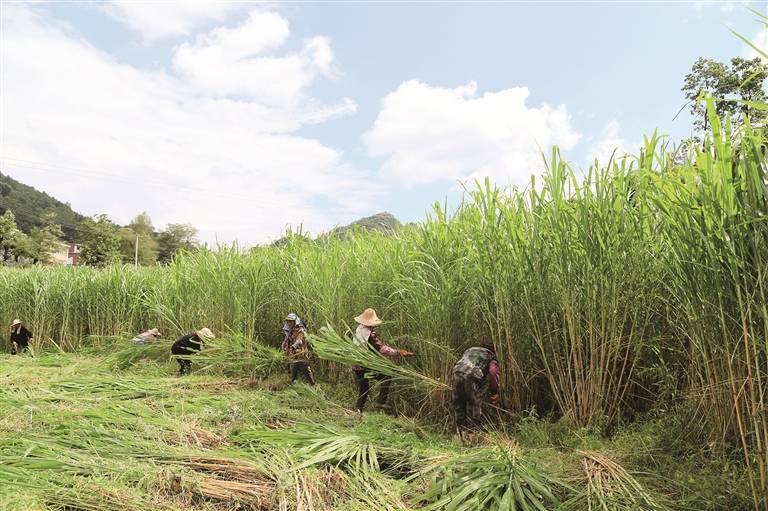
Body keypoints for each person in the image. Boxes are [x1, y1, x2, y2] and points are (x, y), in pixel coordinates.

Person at [352, 308, 413, 413]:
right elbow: (382, 349)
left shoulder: (359, 329)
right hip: (364, 364)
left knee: (364, 387)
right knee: (386, 376)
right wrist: (398, 352)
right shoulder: (370, 334)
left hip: (355, 363)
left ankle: (358, 410)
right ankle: (380, 402)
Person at [452, 345, 500, 436]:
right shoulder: (491, 356)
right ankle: (475, 435)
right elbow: (493, 372)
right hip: (472, 376)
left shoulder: (469, 350)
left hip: (457, 372)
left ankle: (462, 436)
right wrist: (494, 392)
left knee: (459, 404)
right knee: (475, 404)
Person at [281, 313, 315, 385]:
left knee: (306, 370)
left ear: (295, 321)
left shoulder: (300, 329)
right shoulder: (289, 331)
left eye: (291, 321)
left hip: (300, 353)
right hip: (293, 355)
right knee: (293, 369)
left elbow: (299, 341)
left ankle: (313, 385)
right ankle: (294, 385)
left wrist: (293, 346)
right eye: (288, 321)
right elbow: (286, 340)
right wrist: (283, 346)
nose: (289, 323)